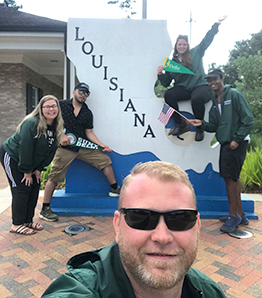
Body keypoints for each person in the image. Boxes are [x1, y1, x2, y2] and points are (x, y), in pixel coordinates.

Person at [41, 161, 226, 298]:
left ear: (197, 226)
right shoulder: (81, 291)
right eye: (141, 217)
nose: (162, 237)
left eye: (180, 219)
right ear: (117, 225)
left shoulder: (210, 293)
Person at [40, 82, 121, 222]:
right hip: (65, 148)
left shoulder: (87, 113)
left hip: (83, 146)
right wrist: (61, 136)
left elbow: (89, 133)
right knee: (54, 177)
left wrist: (102, 145)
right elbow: (50, 121)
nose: (83, 95)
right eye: (81, 92)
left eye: (86, 93)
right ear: (74, 92)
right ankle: (45, 208)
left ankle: (115, 189)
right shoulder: (61, 105)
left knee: (105, 161)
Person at [189, 69, 254, 233]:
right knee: (232, 178)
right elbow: (214, 126)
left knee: (230, 179)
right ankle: (240, 213)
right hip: (226, 143)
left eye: (215, 79)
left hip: (235, 143)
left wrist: (236, 139)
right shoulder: (214, 101)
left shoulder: (234, 94)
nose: (212, 83)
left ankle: (233, 216)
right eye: (209, 80)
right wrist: (200, 123)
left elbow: (248, 119)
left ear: (222, 79)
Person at [0, 95, 63, 235]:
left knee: (34, 187)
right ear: (41, 109)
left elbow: (50, 151)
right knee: (21, 189)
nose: (51, 109)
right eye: (47, 106)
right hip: (13, 156)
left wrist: (39, 169)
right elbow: (26, 148)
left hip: (29, 161)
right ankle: (16, 224)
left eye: (54, 106)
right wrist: (27, 171)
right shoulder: (31, 123)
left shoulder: (56, 126)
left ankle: (27, 220)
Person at [157, 16, 227, 142]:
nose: (182, 46)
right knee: (169, 95)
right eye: (180, 44)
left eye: (184, 44)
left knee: (197, 98)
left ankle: (200, 127)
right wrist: (160, 74)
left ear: (187, 45)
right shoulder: (172, 64)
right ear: (176, 46)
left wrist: (216, 24)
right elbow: (166, 83)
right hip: (184, 89)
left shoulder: (196, 52)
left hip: (201, 86)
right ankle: (180, 123)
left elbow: (207, 40)